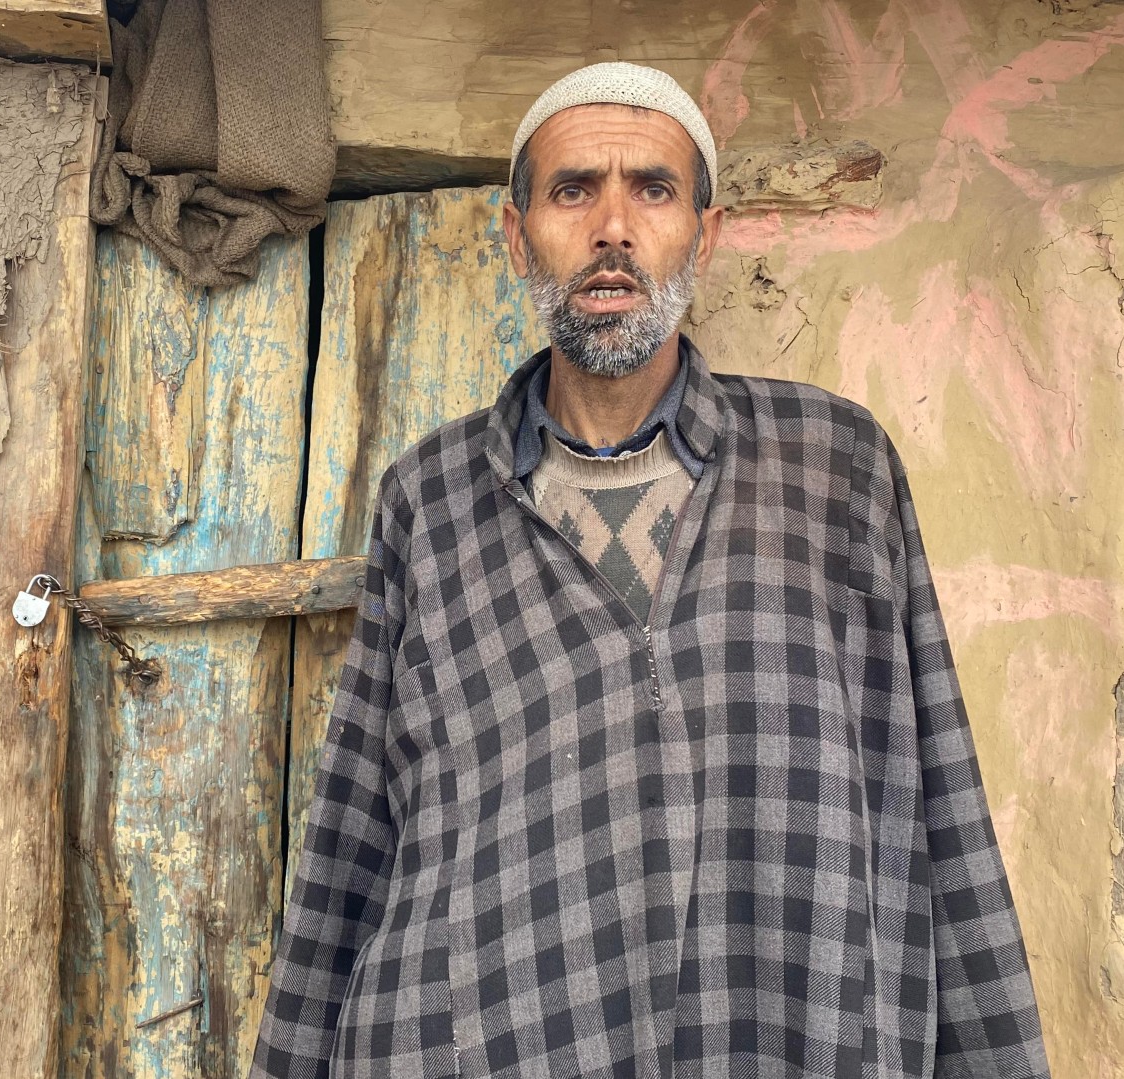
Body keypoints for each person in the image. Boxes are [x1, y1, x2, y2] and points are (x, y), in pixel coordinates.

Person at [253, 62, 1050, 1079]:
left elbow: (935, 792)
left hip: (784, 1019)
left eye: (655, 190)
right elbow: (355, 834)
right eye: (575, 189)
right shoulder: (433, 497)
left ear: (704, 235)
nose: (614, 227)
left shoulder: (833, 466)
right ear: (515, 231)